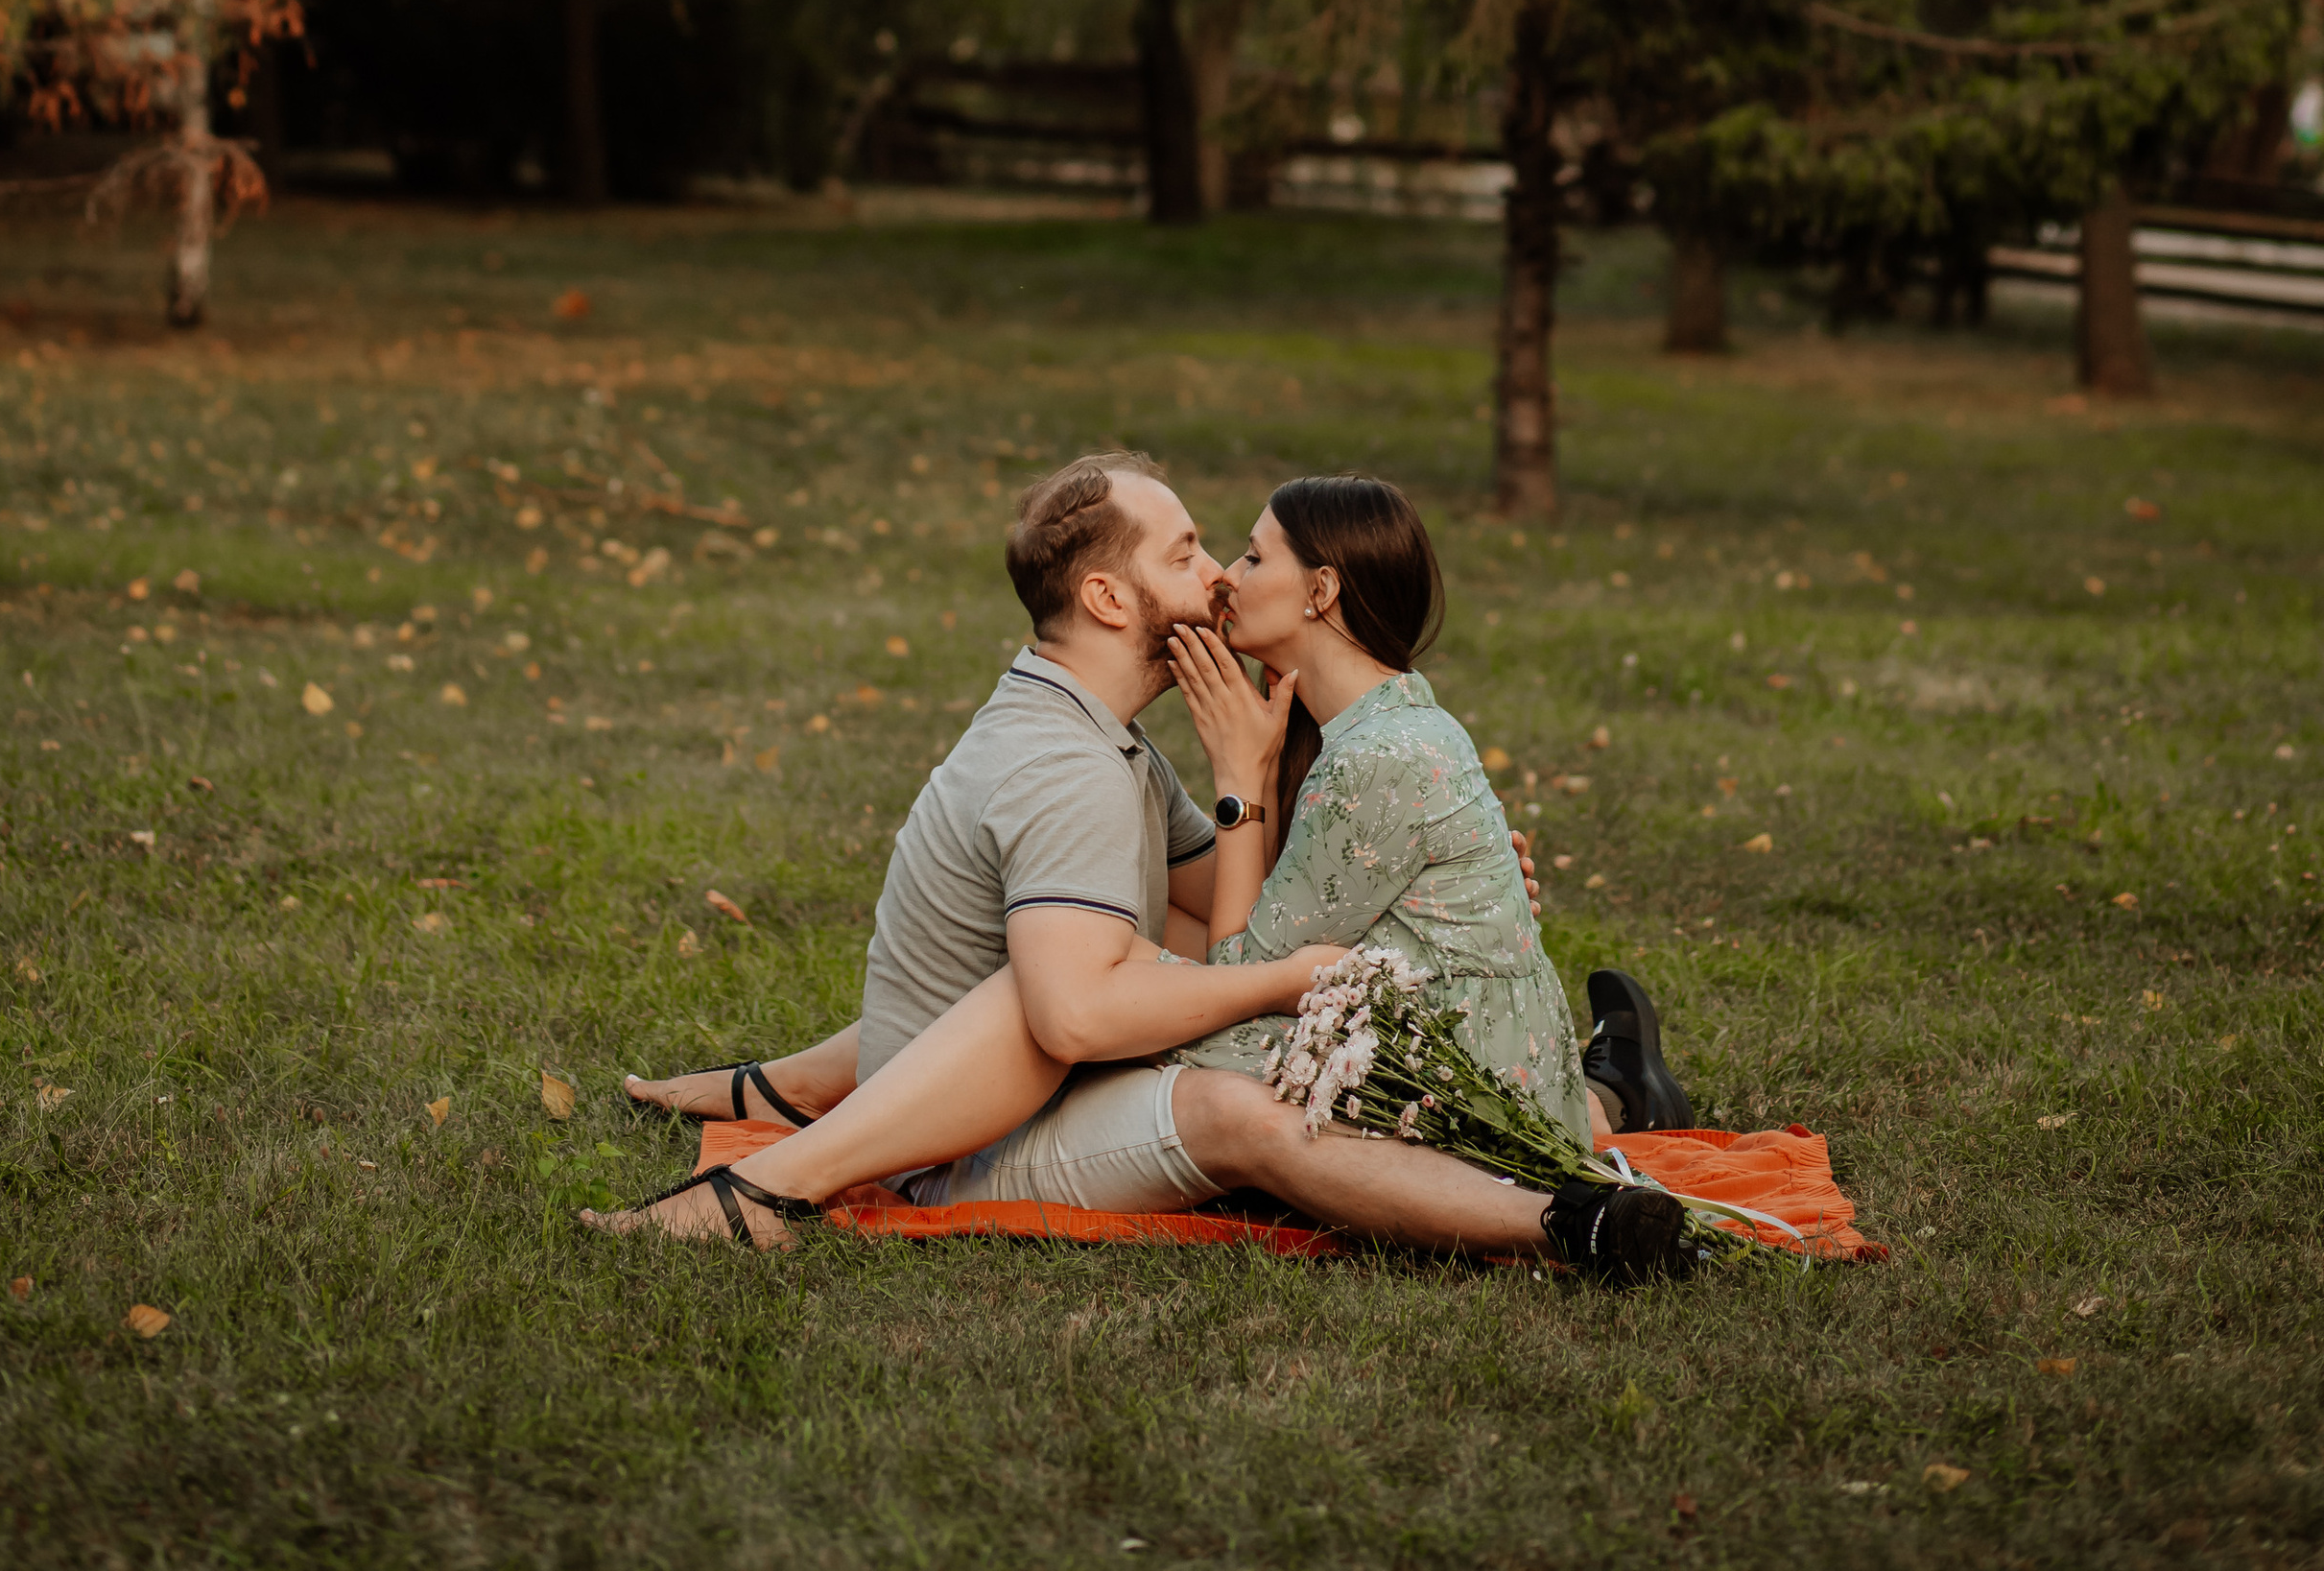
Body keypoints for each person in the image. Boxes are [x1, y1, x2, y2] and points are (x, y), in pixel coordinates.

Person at [592, 455, 1694, 1277]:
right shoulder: (1065, 769)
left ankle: (1604, 1095)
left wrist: (1429, 879)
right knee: (1235, 1104)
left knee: (1171, 963)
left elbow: (1237, 903)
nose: (1215, 578)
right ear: (1110, 601)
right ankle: (1570, 1226)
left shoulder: (1102, 739)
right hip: (964, 1146)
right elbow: (1075, 1015)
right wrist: (1286, 968)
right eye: (1186, 554)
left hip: (1017, 1091)